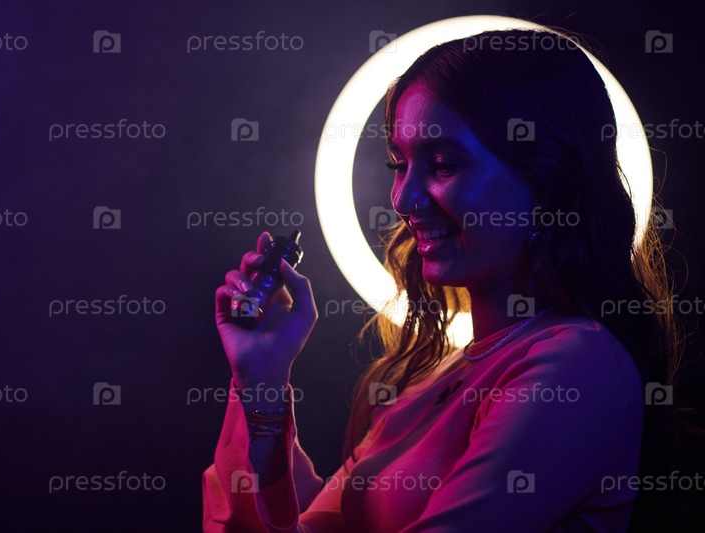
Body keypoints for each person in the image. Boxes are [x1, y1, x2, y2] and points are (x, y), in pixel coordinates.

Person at [203, 28, 690, 532]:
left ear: (547, 180)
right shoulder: (438, 376)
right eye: (398, 164)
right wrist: (262, 382)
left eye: (443, 165)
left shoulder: (574, 366)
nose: (402, 199)